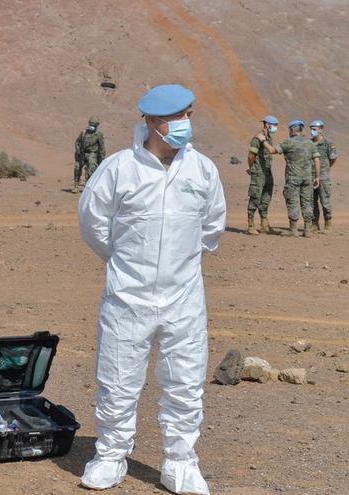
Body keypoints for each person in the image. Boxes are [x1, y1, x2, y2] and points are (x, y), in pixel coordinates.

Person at [78, 84, 226, 495]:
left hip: (183, 299)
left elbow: (211, 228)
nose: (186, 124)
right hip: (128, 297)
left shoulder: (202, 170)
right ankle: (109, 455)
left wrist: (178, 266)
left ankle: (180, 463)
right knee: (118, 379)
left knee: (185, 381)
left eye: (189, 115)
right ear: (154, 123)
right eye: (179, 117)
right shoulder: (118, 169)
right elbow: (94, 225)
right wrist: (127, 266)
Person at [258, 120, 321, 237]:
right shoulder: (310, 144)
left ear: (292, 129)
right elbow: (317, 160)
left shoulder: (288, 142)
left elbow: (271, 150)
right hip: (307, 179)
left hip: (293, 179)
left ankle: (293, 230)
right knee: (307, 203)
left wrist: (262, 140)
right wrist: (317, 177)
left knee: (292, 202)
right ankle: (307, 229)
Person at [245, 116, 279, 235]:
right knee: (255, 197)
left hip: (267, 173)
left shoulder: (268, 138)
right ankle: (251, 225)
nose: (275, 128)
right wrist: (251, 168)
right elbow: (251, 156)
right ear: (267, 125)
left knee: (266, 198)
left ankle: (264, 224)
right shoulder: (258, 138)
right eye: (274, 125)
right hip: (259, 173)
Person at [309, 120, 338, 232]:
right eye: (311, 129)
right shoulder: (309, 143)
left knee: (325, 201)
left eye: (314, 129)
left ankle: (328, 223)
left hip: (323, 177)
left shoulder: (328, 143)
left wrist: (325, 169)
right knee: (312, 201)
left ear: (321, 130)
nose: (312, 131)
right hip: (310, 177)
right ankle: (315, 223)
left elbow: (333, 158)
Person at [73, 116, 106, 193]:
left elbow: (102, 147)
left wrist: (102, 158)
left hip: (92, 154)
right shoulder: (84, 133)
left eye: (94, 125)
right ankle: (76, 185)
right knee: (77, 167)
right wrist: (78, 150)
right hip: (82, 153)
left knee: (91, 167)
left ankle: (88, 186)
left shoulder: (98, 134)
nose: (92, 126)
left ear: (97, 125)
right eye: (91, 124)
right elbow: (77, 142)